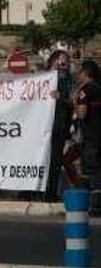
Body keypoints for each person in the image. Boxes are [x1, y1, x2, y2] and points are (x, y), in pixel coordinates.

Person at [48, 50, 77, 198]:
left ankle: (50, 194)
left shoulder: (70, 80)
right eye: (61, 63)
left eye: (67, 63)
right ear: (53, 63)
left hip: (59, 127)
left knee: (55, 163)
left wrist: (62, 98)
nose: (64, 67)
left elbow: (74, 100)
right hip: (41, 128)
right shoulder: (42, 79)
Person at [75, 60, 101, 210]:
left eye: (80, 72)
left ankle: (93, 205)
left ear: (85, 73)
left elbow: (82, 113)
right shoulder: (99, 88)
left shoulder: (85, 90)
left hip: (91, 136)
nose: (78, 75)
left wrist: (76, 106)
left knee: (90, 171)